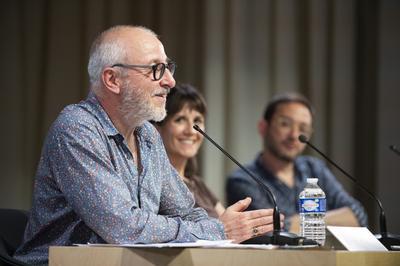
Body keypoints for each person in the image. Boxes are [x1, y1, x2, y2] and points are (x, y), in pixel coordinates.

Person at [13, 25, 276, 265]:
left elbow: (187, 212)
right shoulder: (77, 128)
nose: (170, 81)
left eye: (168, 67)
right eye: (155, 69)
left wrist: (221, 229)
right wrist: (218, 230)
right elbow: (123, 227)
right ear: (113, 79)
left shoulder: (148, 135)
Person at [226, 92, 368, 233]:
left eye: (303, 129)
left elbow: (357, 216)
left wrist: (295, 223)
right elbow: (271, 229)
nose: (294, 135)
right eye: (285, 124)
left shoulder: (315, 169)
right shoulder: (243, 180)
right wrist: (333, 220)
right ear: (263, 127)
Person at [154, 84, 280, 239]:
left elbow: (230, 227)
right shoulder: (154, 182)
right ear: (158, 128)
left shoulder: (199, 185)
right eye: (180, 120)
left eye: (197, 121)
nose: (191, 131)